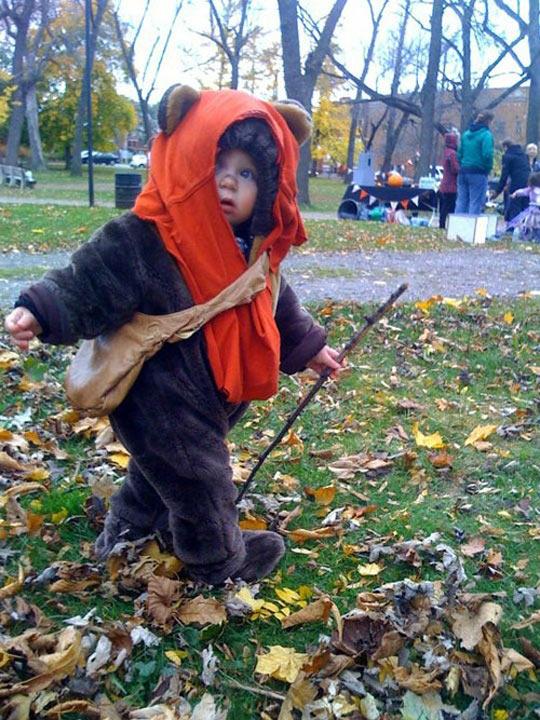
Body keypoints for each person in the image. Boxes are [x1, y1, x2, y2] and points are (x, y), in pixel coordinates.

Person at [4, 85, 344, 586]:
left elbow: (274, 302)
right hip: (157, 394)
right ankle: (217, 561)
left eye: (247, 174)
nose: (229, 183)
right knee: (200, 477)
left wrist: (310, 348)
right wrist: (40, 309)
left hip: (209, 395)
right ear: (188, 164)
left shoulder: (255, 250)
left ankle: (126, 529)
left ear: (270, 185)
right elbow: (90, 279)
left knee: (158, 472)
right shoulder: (147, 236)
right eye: (217, 166)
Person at [455, 110, 494, 215]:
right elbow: (487, 154)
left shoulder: (465, 134)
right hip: (478, 172)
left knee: (461, 201)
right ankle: (471, 229)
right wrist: (487, 168)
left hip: (463, 171)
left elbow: (459, 155)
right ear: (488, 121)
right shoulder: (486, 135)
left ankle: (457, 227)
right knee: (475, 202)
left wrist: (463, 164)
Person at [490, 139, 530, 222]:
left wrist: (497, 192)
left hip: (516, 183)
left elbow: (504, 176)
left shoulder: (508, 156)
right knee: (525, 207)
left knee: (514, 206)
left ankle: (510, 230)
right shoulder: (524, 155)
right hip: (528, 183)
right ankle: (526, 231)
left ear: (505, 147)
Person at [504, 171, 540, 243]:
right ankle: (531, 237)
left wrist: (515, 193)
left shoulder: (530, 190)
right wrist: (515, 193)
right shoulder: (530, 190)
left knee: (533, 225)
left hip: (535, 211)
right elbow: (522, 191)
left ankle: (534, 238)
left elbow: (522, 191)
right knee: (531, 225)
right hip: (532, 211)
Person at [438, 133, 459, 229]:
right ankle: (449, 225)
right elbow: (455, 169)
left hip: (444, 184)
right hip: (451, 185)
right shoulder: (453, 154)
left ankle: (442, 224)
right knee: (450, 207)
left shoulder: (446, 152)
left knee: (444, 206)